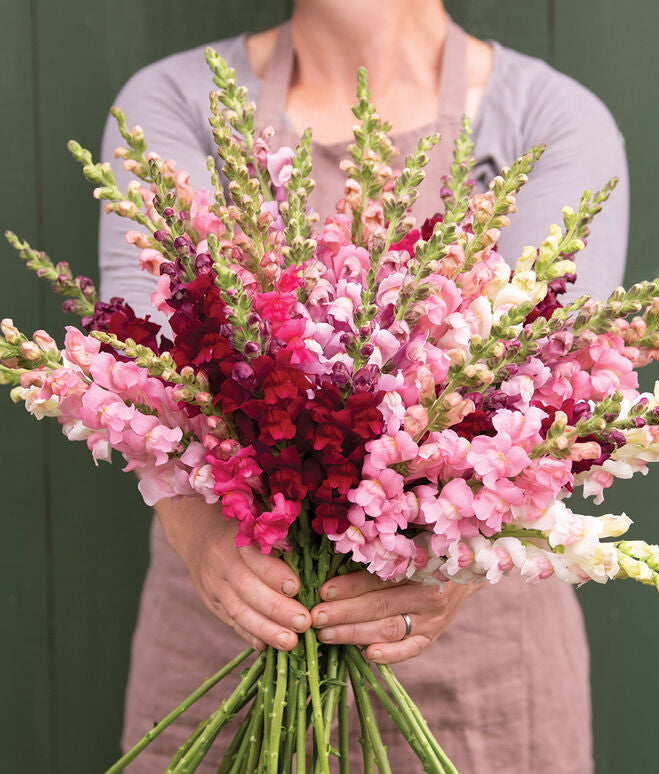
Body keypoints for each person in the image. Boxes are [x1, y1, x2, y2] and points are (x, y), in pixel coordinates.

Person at [99, 1, 629, 771]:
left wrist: (452, 573)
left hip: (477, 676)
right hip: (229, 632)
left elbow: (542, 388)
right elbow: (155, 388)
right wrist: (203, 538)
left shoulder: (548, 119)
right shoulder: (175, 102)